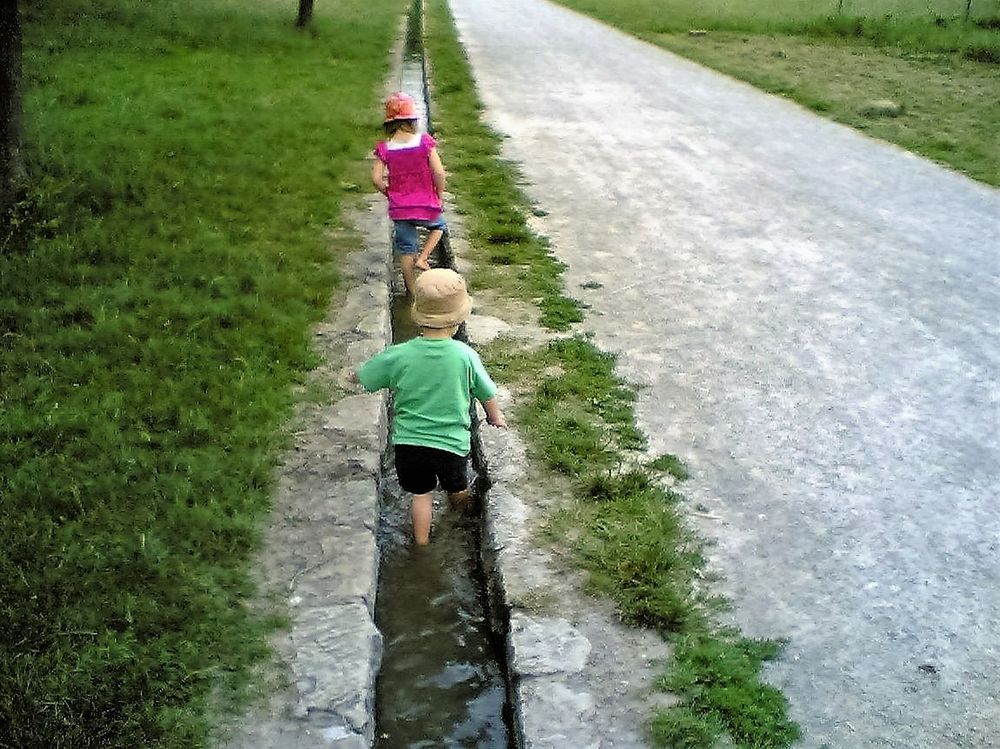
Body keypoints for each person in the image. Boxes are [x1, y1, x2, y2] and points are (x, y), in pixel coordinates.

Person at [356, 268, 507, 545]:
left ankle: (422, 544)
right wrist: (495, 417)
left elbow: (366, 378)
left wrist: (352, 376)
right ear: (459, 319)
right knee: (458, 487)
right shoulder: (465, 356)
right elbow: (486, 392)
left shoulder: (399, 355)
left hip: (409, 445)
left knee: (421, 496)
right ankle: (462, 516)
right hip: (451, 444)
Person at [372, 92, 447, 296]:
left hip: (400, 207)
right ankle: (423, 258)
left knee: (406, 249)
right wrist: (437, 193)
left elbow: (376, 179)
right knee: (439, 227)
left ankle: (412, 293)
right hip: (426, 202)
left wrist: (390, 193)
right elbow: (439, 172)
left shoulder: (385, 148)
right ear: (412, 120)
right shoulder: (424, 142)